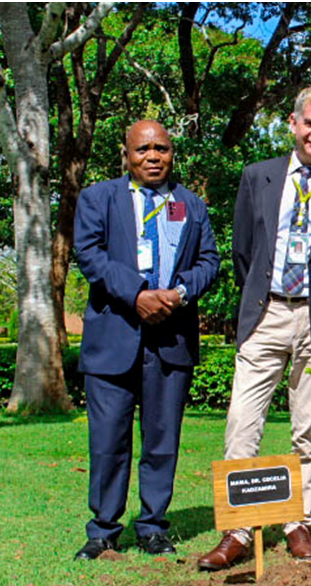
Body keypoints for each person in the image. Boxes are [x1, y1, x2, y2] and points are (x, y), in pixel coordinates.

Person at [198, 86, 311, 570]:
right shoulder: (258, 177)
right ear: (293, 124)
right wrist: (266, 297)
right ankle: (236, 530)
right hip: (266, 313)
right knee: (242, 423)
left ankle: (299, 521)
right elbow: (243, 252)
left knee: (310, 429)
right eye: (310, 124)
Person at [73, 120, 220, 560]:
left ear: (173, 153)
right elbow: (90, 253)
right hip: (113, 338)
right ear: (127, 154)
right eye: (143, 149)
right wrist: (136, 295)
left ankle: (153, 525)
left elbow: (210, 260)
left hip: (170, 341)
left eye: (162, 148)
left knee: (161, 441)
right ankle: (103, 531)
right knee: (108, 441)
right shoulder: (99, 198)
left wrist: (179, 293)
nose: (153, 156)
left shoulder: (191, 205)